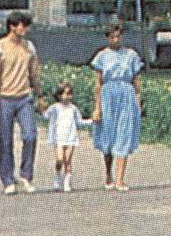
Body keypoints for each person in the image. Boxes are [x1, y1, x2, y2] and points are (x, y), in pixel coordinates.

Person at [0, 10, 42, 195]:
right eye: (22, 25)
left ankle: (26, 175)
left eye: (27, 25)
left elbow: (34, 74)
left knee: (30, 136)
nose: (25, 29)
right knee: (6, 141)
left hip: (24, 97)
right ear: (12, 26)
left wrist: (40, 95)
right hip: (5, 98)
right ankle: (7, 179)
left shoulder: (29, 47)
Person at [90, 21, 143, 191]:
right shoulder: (102, 56)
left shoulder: (131, 55)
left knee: (124, 133)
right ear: (107, 38)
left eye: (118, 36)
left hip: (126, 94)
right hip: (108, 94)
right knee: (108, 134)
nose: (115, 40)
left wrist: (138, 100)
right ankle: (108, 173)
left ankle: (120, 179)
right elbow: (98, 83)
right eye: (112, 37)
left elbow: (136, 80)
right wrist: (97, 108)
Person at [44, 83, 88, 193]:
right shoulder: (54, 108)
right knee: (59, 159)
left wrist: (92, 121)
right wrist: (42, 106)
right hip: (58, 138)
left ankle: (67, 182)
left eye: (70, 94)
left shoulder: (73, 108)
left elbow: (79, 121)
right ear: (59, 95)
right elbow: (45, 115)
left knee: (67, 160)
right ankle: (58, 175)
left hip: (70, 138)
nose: (69, 96)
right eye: (66, 93)